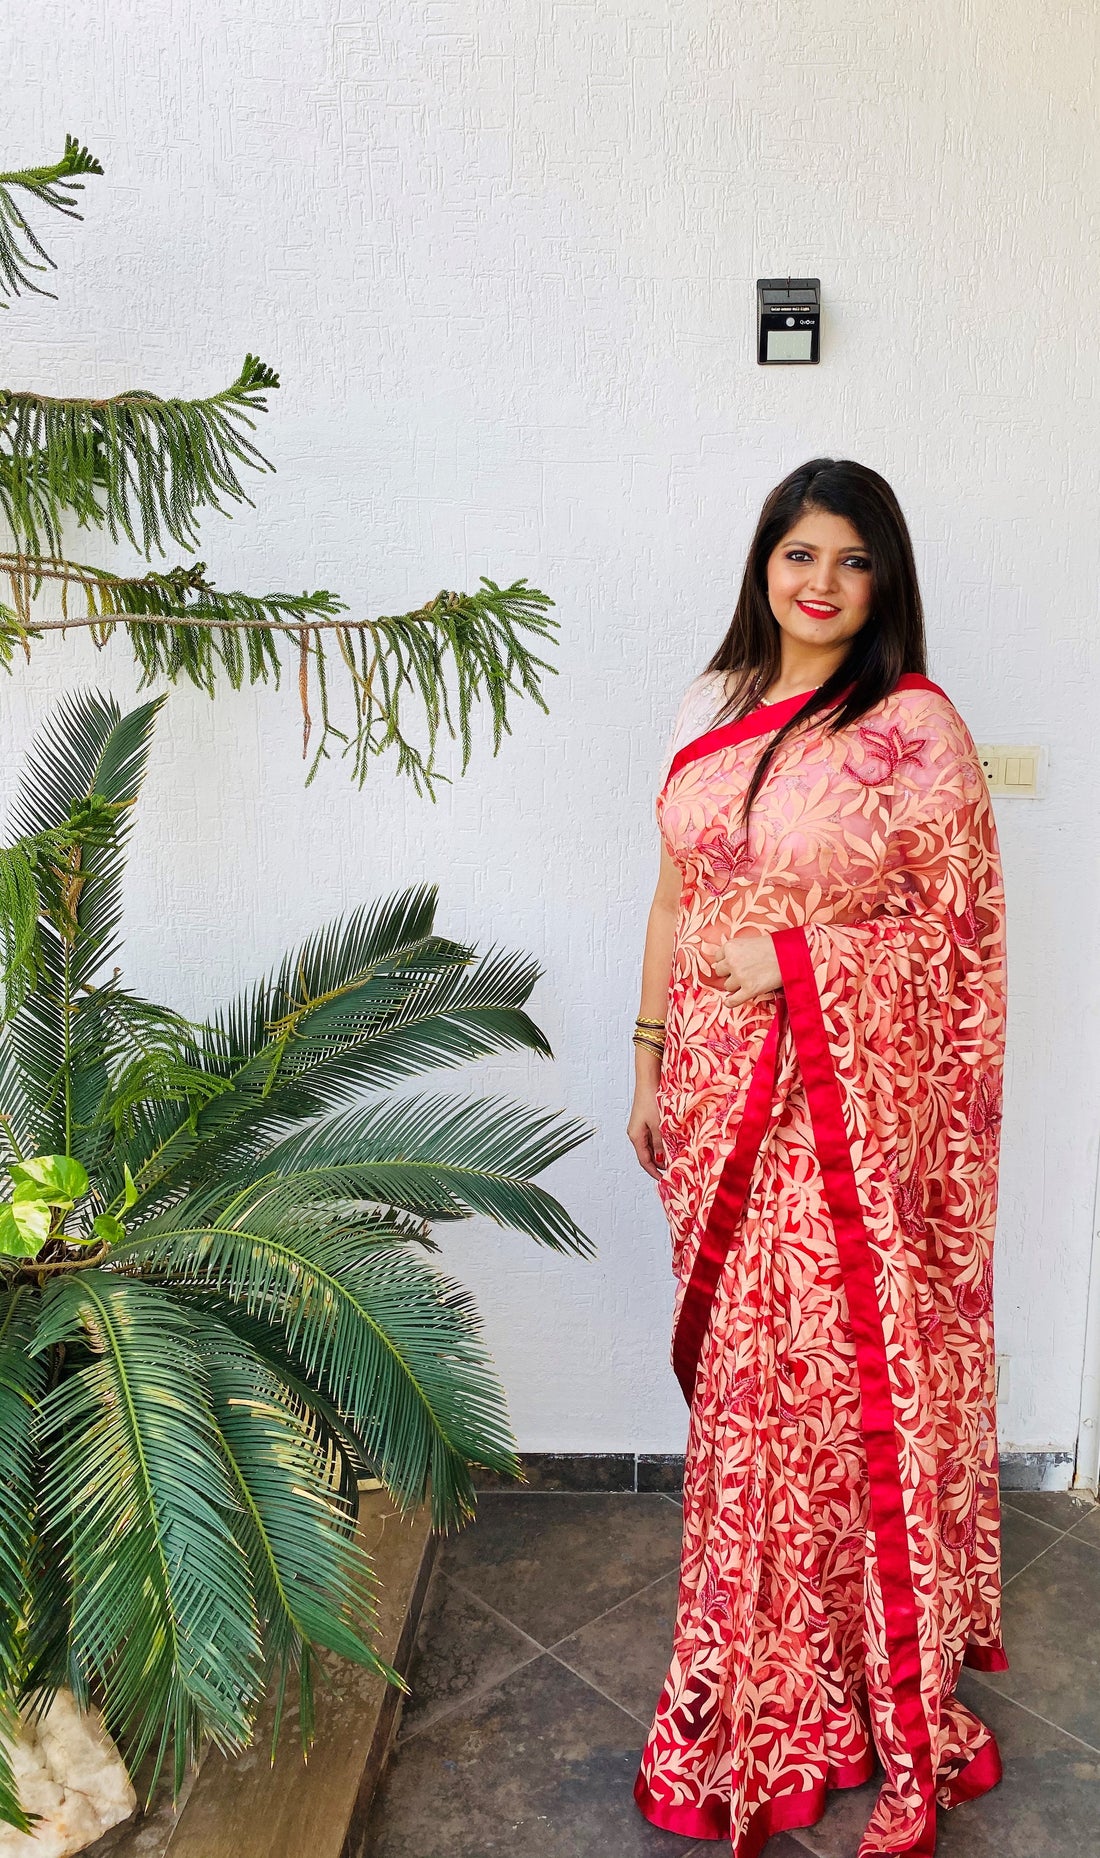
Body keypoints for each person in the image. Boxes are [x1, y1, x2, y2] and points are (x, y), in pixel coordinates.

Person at [627, 457, 1008, 1858]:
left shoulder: (913, 732)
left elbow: (953, 946)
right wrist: (650, 1048)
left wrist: (793, 962)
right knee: (743, 1408)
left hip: (839, 1117)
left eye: (851, 560)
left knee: (828, 1402)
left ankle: (857, 1687)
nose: (822, 584)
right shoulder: (709, 705)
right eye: (800, 554)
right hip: (717, 1106)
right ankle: (756, 1676)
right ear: (765, 563)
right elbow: (674, 890)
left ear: (883, 579)